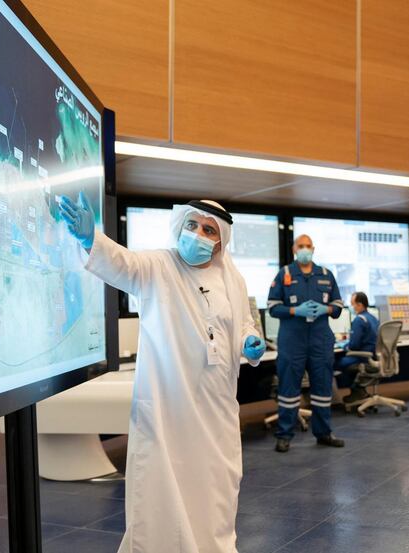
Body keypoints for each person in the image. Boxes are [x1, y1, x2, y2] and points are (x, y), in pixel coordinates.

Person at [58, 195, 266, 553]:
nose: (198, 234)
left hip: (216, 413)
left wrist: (250, 339)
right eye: (192, 225)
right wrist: (90, 239)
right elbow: (123, 264)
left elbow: (243, 323)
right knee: (161, 492)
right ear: (180, 226)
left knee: (215, 490)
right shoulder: (158, 267)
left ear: (220, 240)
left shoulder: (233, 279)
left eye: (208, 229)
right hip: (168, 410)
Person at [267, 234, 346, 453]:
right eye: (300, 246)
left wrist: (327, 309)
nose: (304, 249)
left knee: (322, 389)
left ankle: (324, 433)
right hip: (292, 339)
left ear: (313, 248)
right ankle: (284, 435)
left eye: (307, 246)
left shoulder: (326, 275)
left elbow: (339, 306)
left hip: (320, 339)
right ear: (294, 249)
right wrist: (294, 310)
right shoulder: (284, 275)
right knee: (289, 389)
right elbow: (273, 307)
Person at [335, 292, 379, 404]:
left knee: (333, 363)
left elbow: (354, 346)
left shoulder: (359, 320)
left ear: (359, 304)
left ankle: (352, 393)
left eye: (352, 304)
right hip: (372, 357)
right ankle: (358, 391)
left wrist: (343, 346)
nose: (351, 307)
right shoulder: (373, 318)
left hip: (361, 357)